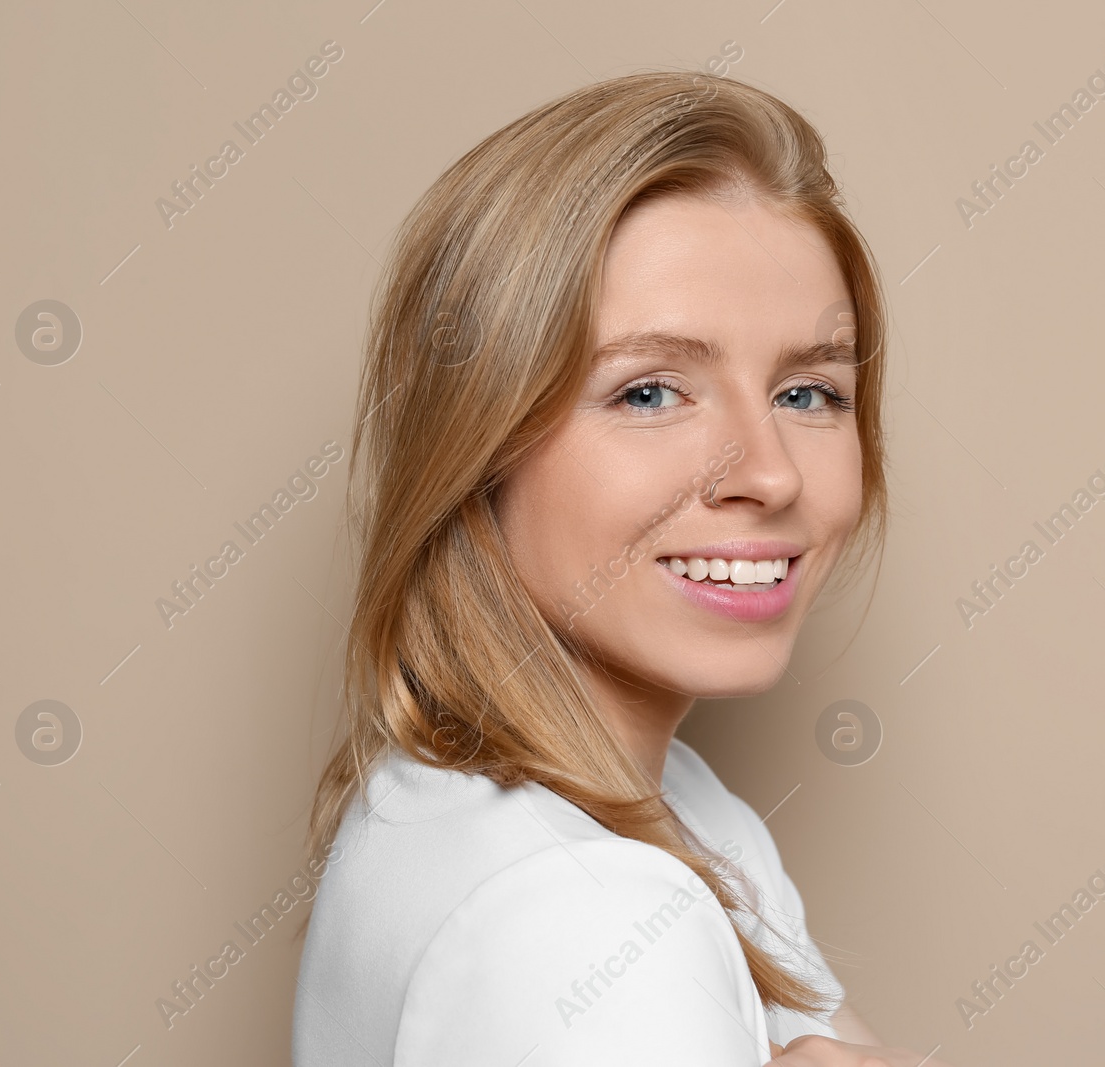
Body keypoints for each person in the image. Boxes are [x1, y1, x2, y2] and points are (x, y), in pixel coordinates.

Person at [291, 69, 937, 1067]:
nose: (766, 472)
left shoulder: (660, 805)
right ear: (476, 447)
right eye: (647, 392)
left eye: (808, 391)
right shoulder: (591, 923)